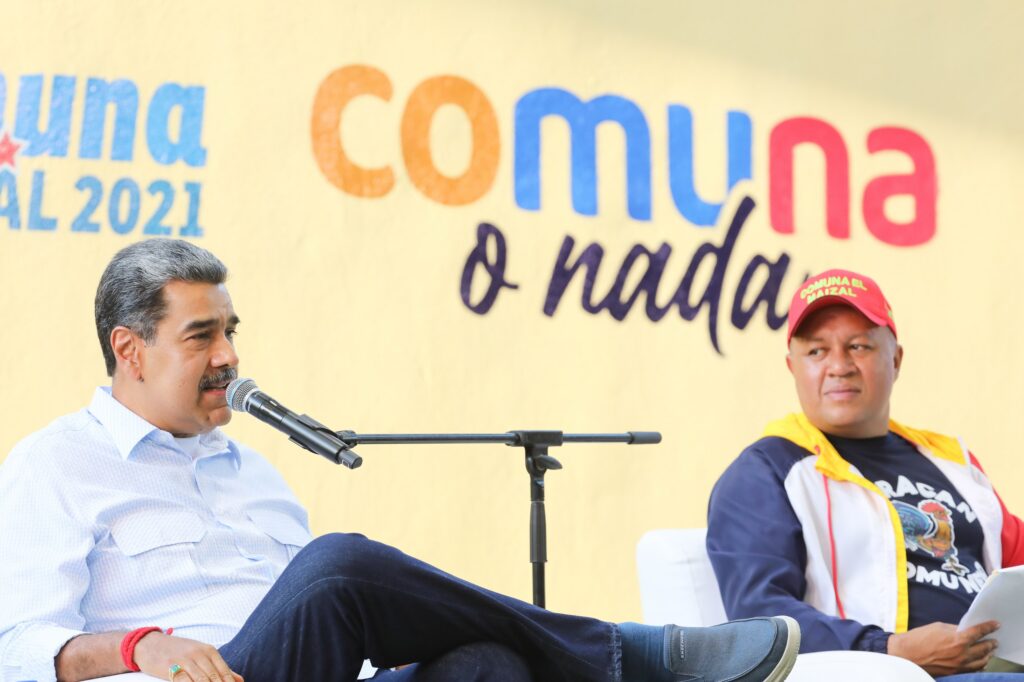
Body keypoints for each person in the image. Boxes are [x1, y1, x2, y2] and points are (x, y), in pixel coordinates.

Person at [0, 238, 800, 682]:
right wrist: (142, 646)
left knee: (486, 667)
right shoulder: (53, 466)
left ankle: (612, 658)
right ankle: (632, 655)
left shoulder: (252, 473)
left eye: (232, 331)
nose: (230, 356)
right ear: (129, 349)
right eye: (202, 335)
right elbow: (18, 652)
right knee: (338, 567)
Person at [707, 268, 1024, 681]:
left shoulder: (952, 461)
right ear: (792, 367)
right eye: (816, 352)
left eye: (858, 346)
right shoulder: (766, 471)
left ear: (895, 359)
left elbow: (1015, 558)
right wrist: (890, 650)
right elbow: (759, 618)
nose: (839, 366)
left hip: (999, 662)